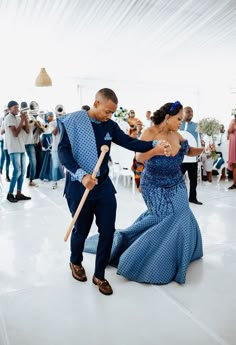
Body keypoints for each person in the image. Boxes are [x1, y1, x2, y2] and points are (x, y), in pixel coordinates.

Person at [84, 101, 203, 286]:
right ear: (167, 117)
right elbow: (139, 158)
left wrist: (203, 150)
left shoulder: (176, 134)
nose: (181, 122)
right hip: (153, 184)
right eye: (178, 118)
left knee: (182, 213)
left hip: (176, 182)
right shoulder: (150, 132)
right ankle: (138, 253)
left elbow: (188, 151)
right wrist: (155, 150)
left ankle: (180, 252)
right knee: (163, 216)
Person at [57, 88, 154, 296]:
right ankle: (75, 261)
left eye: (112, 113)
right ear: (96, 103)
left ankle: (99, 274)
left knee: (108, 231)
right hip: (78, 185)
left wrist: (153, 144)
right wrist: (82, 175)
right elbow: (63, 153)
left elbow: (130, 142)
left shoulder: (110, 125)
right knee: (81, 230)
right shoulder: (73, 121)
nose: (109, 116)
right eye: (107, 111)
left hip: (103, 187)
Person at [4, 101, 31, 202]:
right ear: (10, 108)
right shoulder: (8, 118)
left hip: (21, 147)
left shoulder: (18, 118)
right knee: (17, 171)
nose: (17, 109)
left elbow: (27, 131)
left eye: (17, 107)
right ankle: (10, 193)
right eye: (15, 108)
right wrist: (21, 120)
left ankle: (19, 193)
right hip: (13, 148)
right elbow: (15, 133)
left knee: (22, 171)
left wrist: (26, 120)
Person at [179, 106, 203, 205]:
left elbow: (198, 140)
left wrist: (199, 153)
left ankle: (193, 198)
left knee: (193, 180)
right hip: (181, 158)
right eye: (188, 112)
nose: (190, 114)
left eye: (192, 112)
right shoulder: (178, 124)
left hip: (193, 158)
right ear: (183, 113)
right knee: (178, 180)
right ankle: (179, 199)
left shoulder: (196, 125)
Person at [227, 115, 236, 189]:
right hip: (234, 145)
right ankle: (235, 184)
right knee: (235, 165)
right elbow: (229, 131)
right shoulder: (233, 121)